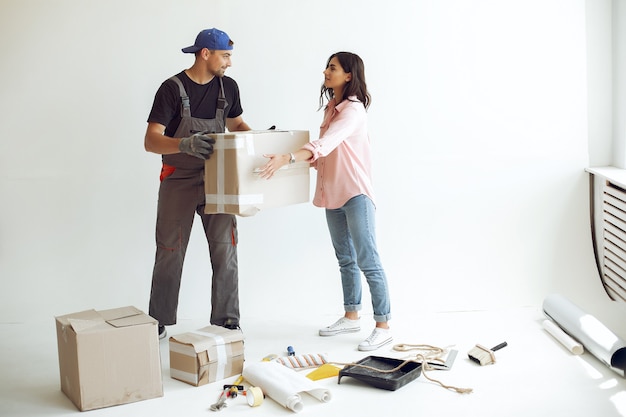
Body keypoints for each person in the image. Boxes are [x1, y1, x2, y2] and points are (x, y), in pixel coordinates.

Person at [258, 52, 392, 351]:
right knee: (345, 258)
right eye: (327, 67)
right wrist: (286, 160)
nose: (326, 72)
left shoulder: (353, 111)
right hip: (333, 194)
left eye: (333, 68)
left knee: (367, 259)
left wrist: (290, 157)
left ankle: (383, 325)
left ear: (348, 75)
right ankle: (352, 315)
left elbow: (325, 145)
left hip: (356, 193)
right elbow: (324, 156)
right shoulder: (332, 108)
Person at [144, 28, 251, 339]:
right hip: (179, 178)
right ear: (206, 53)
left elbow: (237, 124)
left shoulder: (228, 88)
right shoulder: (171, 89)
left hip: (219, 177)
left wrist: (257, 141)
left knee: (225, 248)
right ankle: (159, 321)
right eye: (226, 56)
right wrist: (183, 145)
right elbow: (151, 141)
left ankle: (227, 321)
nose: (229, 63)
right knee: (170, 249)